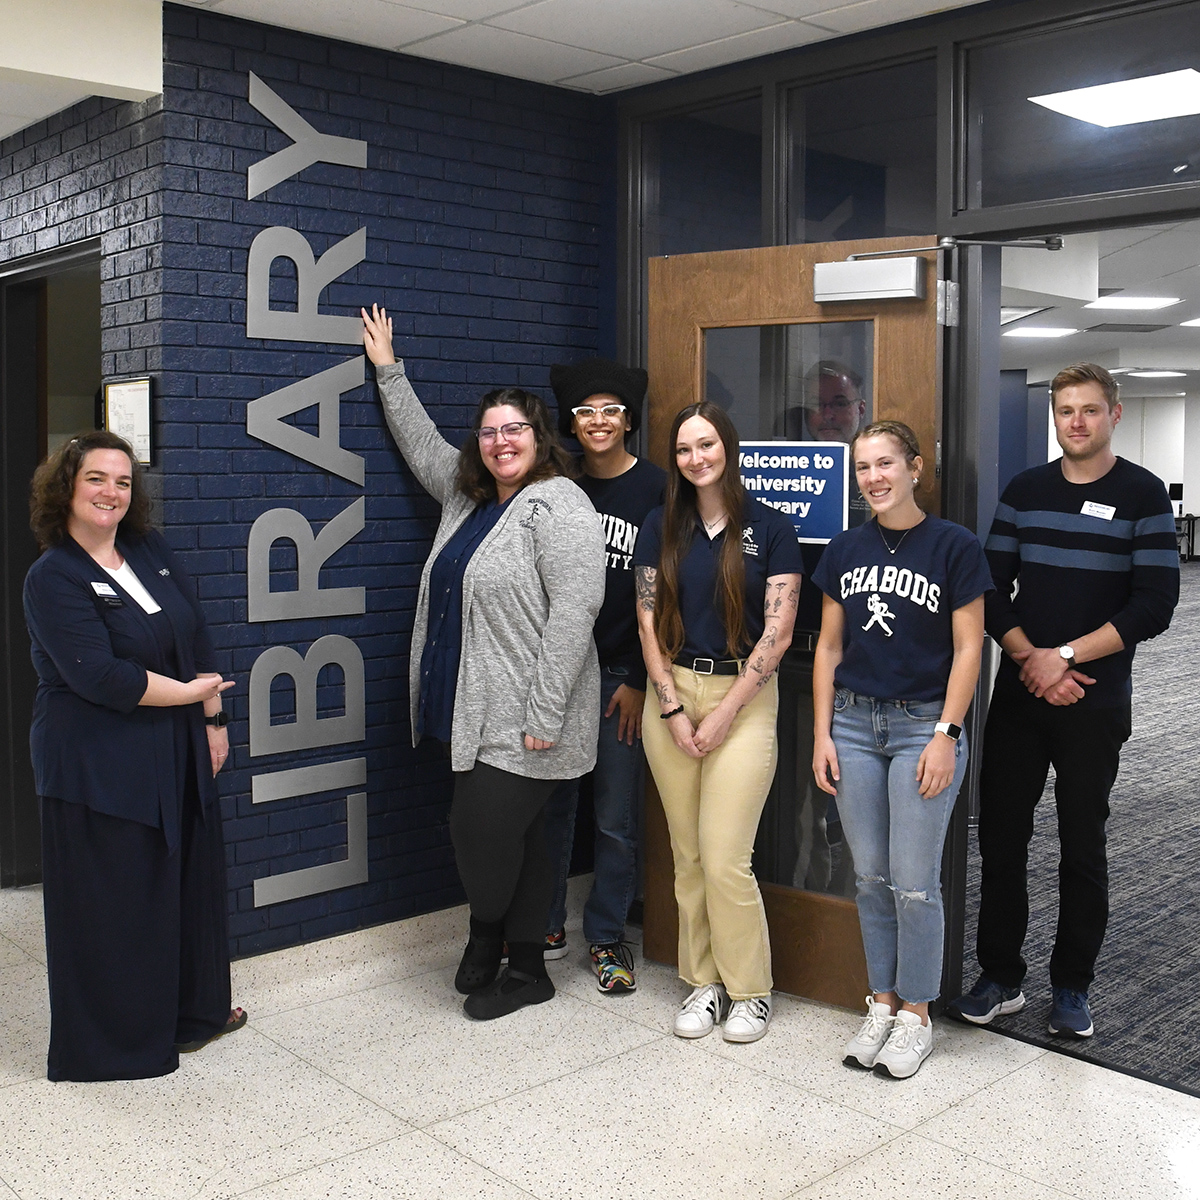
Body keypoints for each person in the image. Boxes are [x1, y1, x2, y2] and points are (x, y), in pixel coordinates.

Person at [362, 304, 605, 1021]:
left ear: (541, 437)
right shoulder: (466, 499)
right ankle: (523, 966)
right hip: (472, 706)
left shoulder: (560, 505)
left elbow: (574, 613)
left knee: (480, 832)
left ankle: (488, 933)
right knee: (519, 840)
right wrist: (387, 370)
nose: (501, 442)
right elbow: (422, 445)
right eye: (491, 431)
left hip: (533, 713)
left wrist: (544, 713)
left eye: (516, 430)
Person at [949, 363, 1178, 1039]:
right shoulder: (1027, 490)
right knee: (1001, 841)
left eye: (1088, 410)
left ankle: (1073, 985)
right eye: (1064, 411)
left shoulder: (1142, 496)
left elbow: (1155, 604)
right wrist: (1028, 656)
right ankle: (1000, 977)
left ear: (1115, 414)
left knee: (1082, 847)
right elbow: (988, 587)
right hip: (1021, 695)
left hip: (1094, 701)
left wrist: (1066, 658)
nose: (1074, 422)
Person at [24, 431, 243, 1082]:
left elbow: (193, 628)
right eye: (96, 479)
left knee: (181, 889)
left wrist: (213, 716)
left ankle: (191, 1013)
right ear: (66, 487)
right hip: (96, 762)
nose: (111, 493)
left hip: (171, 743)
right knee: (116, 905)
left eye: (122, 482)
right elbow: (102, 677)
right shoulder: (54, 577)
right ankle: (115, 1046)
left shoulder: (146, 549)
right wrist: (187, 695)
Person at [811, 420, 991, 1079]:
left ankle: (916, 1014)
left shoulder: (955, 547)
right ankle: (881, 1002)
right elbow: (830, 648)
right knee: (869, 877)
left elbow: (971, 647)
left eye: (885, 464)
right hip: (855, 727)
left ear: (916, 468)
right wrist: (822, 733)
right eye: (863, 468)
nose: (874, 478)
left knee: (915, 883)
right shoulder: (844, 548)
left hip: (923, 728)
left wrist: (946, 734)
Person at [633, 401, 802, 1044]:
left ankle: (749, 991)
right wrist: (671, 703)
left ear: (728, 449)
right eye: (683, 449)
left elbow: (779, 630)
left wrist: (727, 711)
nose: (695, 458)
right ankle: (701, 984)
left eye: (706, 445)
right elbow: (647, 619)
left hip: (746, 696)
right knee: (688, 855)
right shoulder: (661, 524)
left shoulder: (770, 527)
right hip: (671, 690)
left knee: (727, 858)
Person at [540, 358, 665, 993]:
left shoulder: (658, 489)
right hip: (560, 673)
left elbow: (669, 591)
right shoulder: (554, 484)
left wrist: (643, 679)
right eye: (586, 411)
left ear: (628, 420)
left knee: (616, 817)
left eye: (610, 410)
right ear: (571, 420)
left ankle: (609, 935)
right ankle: (548, 920)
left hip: (622, 676)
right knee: (554, 802)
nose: (598, 421)